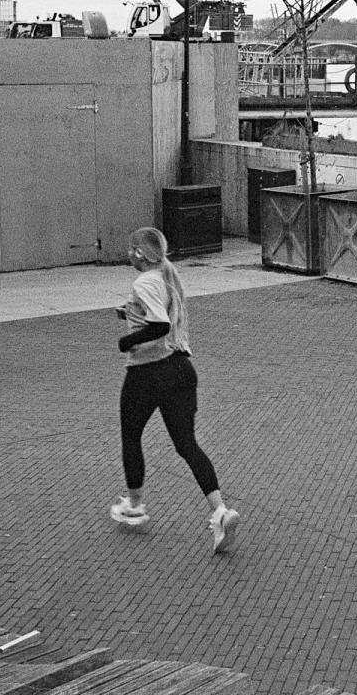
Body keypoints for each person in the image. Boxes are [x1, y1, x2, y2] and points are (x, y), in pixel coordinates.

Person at [109, 226, 241, 554]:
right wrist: (129, 312)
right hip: (181, 370)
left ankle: (134, 506)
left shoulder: (144, 281)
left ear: (141, 254)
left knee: (131, 437)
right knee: (187, 445)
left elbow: (159, 325)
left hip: (147, 372)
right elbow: (159, 314)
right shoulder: (168, 276)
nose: (128, 253)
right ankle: (220, 512)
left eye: (131, 249)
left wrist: (127, 339)